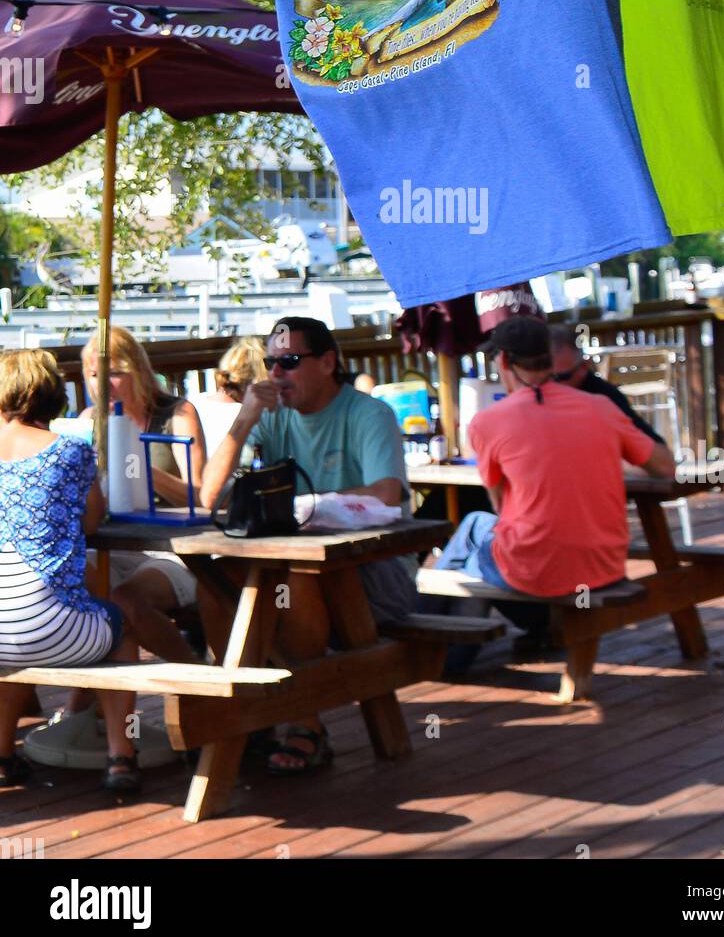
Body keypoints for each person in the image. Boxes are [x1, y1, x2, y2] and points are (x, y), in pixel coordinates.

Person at [200, 316, 413, 774]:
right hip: (297, 568)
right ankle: (248, 716)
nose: (276, 374)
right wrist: (245, 418)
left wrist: (308, 504)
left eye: (290, 362)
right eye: (271, 362)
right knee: (216, 583)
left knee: (294, 583)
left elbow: (387, 493)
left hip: (378, 573)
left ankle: (305, 724)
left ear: (328, 362)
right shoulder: (271, 417)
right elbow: (209, 496)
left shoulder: (368, 414)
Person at [429, 317, 677, 608]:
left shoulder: (488, 422)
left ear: (504, 361)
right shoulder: (602, 407)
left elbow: (499, 505)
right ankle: (517, 632)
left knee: (470, 556)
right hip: (604, 566)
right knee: (475, 534)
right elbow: (665, 466)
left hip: (535, 569)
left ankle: (433, 640)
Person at [0, 350, 141, 793]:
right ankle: (122, 755)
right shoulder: (70, 451)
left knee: (9, 644)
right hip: (54, 627)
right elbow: (92, 522)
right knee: (125, 631)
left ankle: (3, 755)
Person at [77, 328, 207, 666]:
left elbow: (201, 495)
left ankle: (196, 679)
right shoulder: (89, 422)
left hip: (176, 547)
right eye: (94, 375)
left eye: (115, 374)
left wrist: (140, 469)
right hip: (114, 545)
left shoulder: (177, 414)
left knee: (125, 600)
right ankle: (99, 704)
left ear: (139, 371)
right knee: (72, 583)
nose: (102, 385)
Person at [548, 325, 666, 444]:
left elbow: (658, 451)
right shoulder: (536, 397)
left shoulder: (606, 400)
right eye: (546, 379)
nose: (551, 386)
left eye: (561, 378)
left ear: (584, 367)